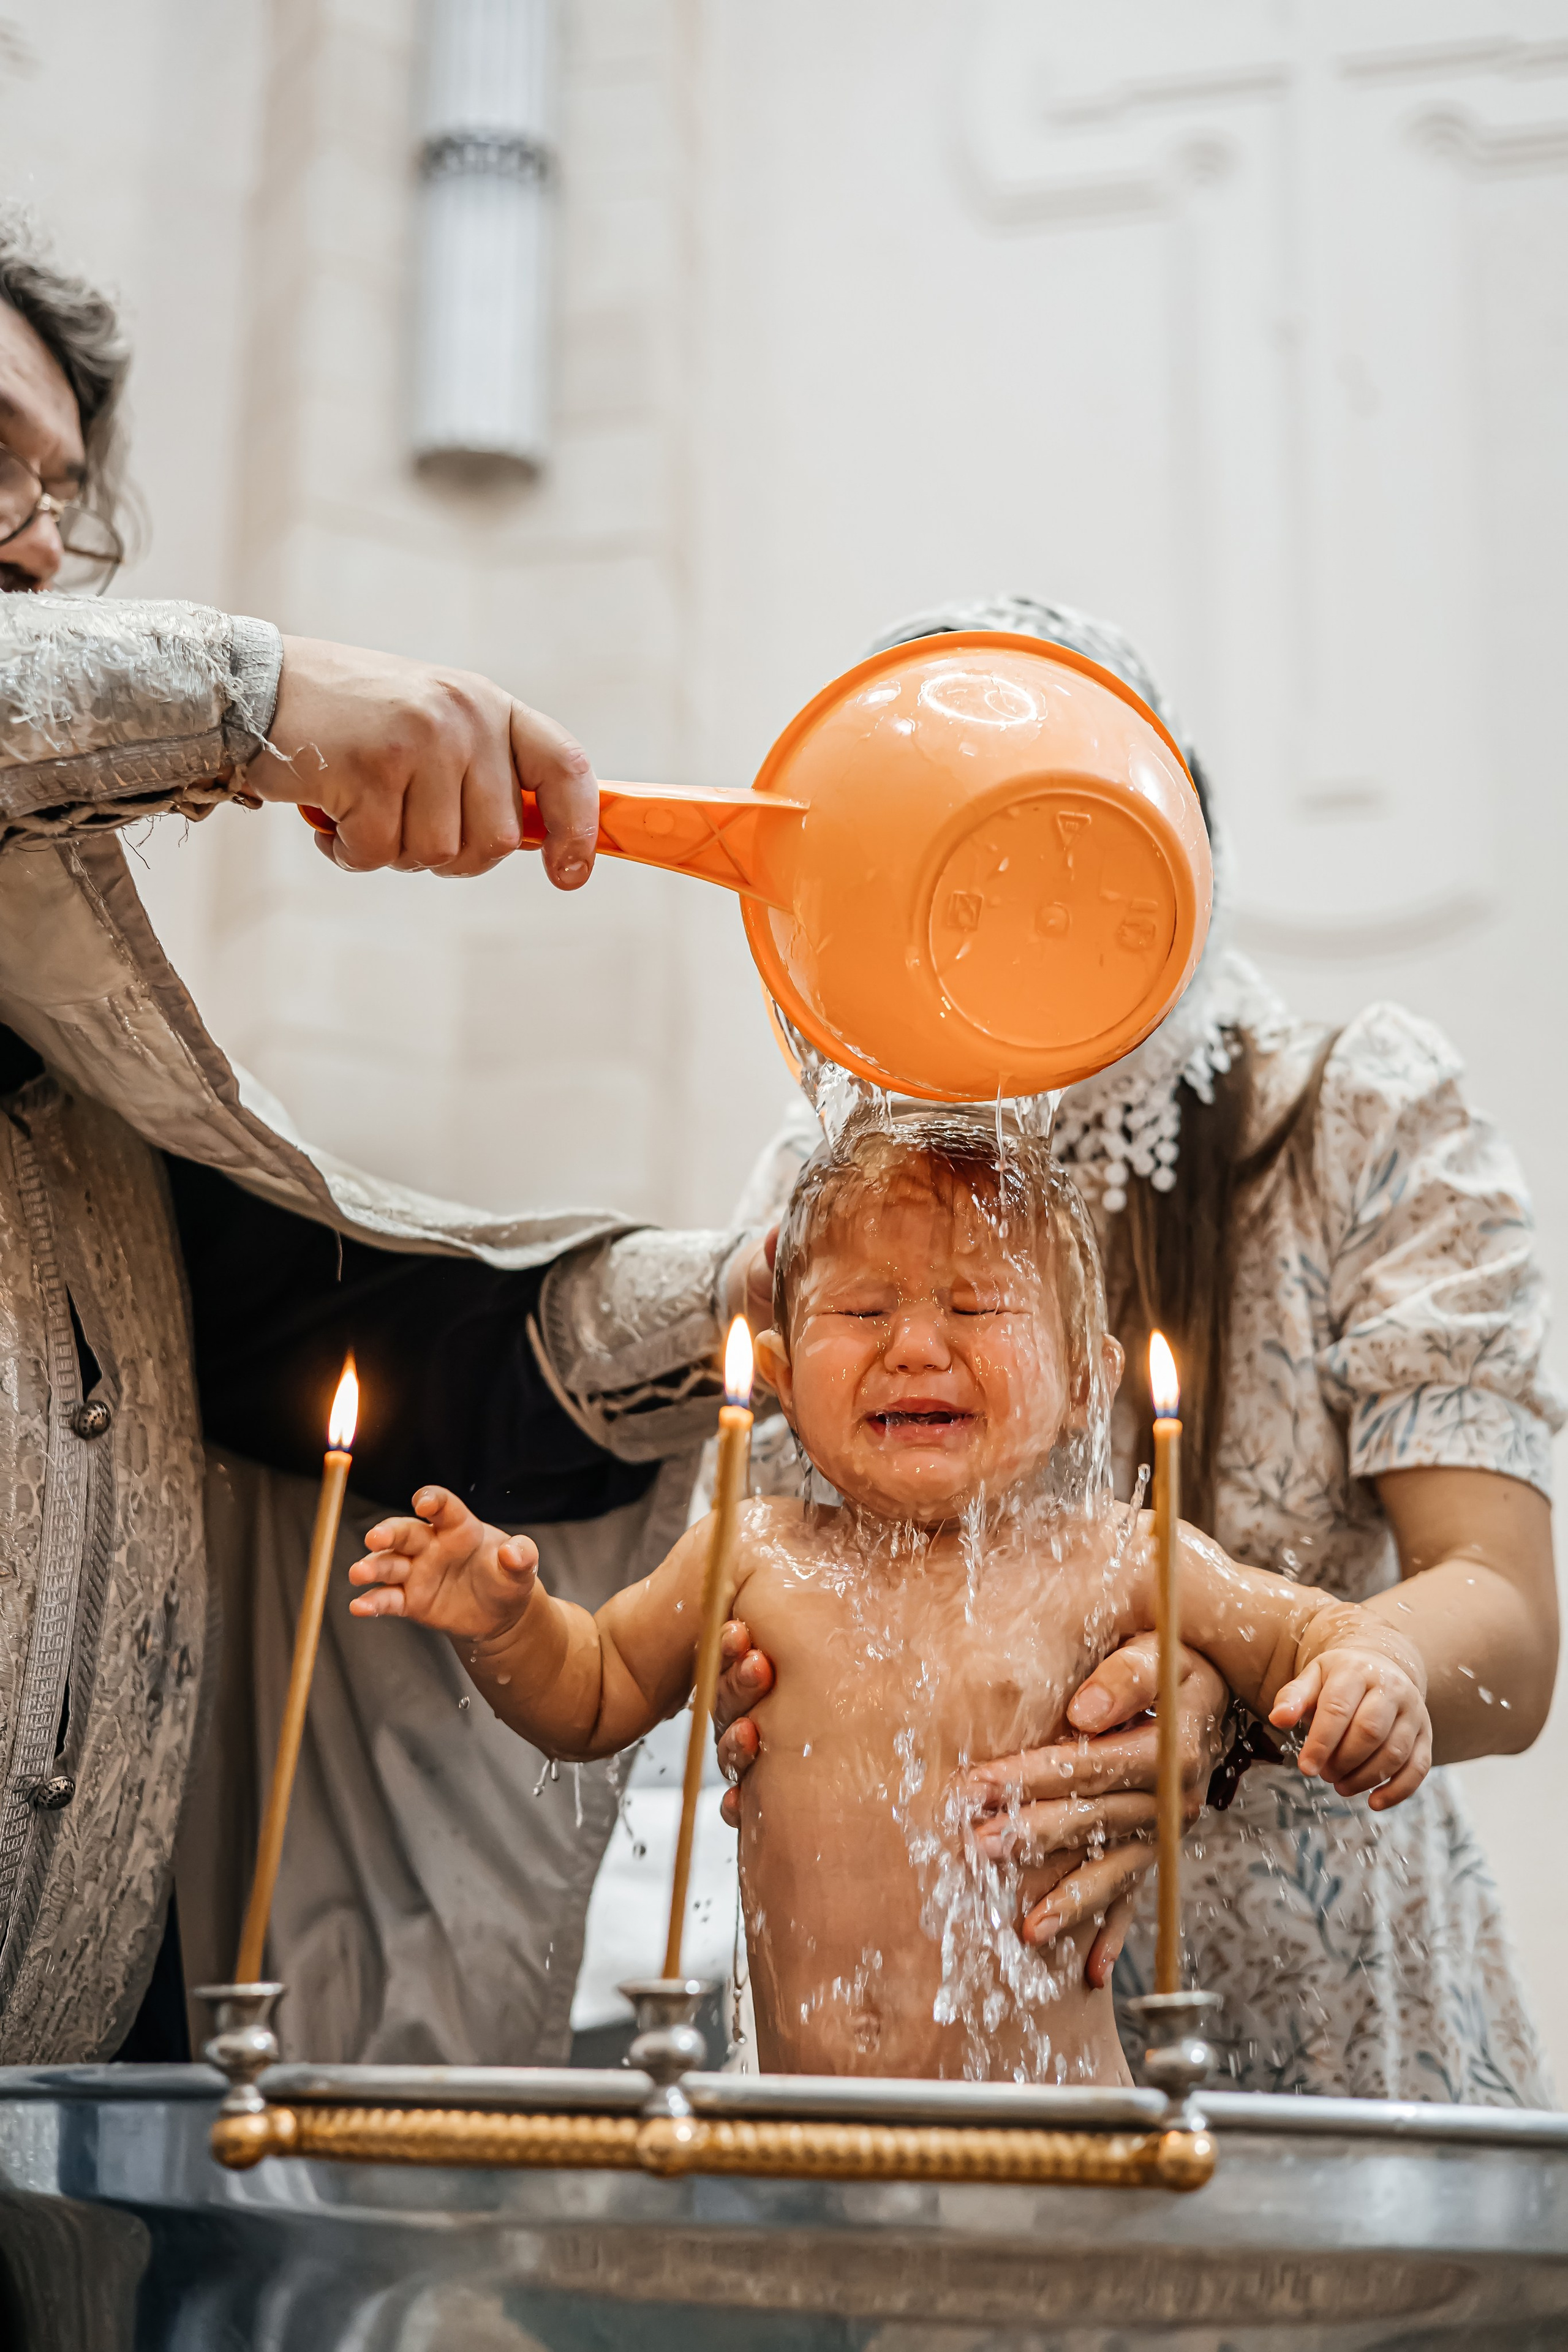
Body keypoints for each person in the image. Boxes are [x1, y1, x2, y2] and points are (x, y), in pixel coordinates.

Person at [0, 217, 767, 2067]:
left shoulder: (79, 1092)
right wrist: (254, 701)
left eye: (58, 494)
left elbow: (389, 1363)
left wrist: (745, 1297)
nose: (35, 539)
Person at [715, 596, 1560, 2106]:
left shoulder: (1354, 1114)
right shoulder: (830, 1170)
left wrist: (1241, 1693)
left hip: (1325, 2014)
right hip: (945, 2043)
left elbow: (1505, 1626)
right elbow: (778, 1587)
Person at [347, 1114, 1433, 2082]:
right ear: (775, 1374)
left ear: (1084, 1380)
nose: (916, 1347)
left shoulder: (1118, 1559)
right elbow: (592, 1693)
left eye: (976, 1305)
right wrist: (507, 1624)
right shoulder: (754, 1550)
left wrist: (1366, 1674)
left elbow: (1308, 1631)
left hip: (1047, 2140)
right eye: (864, 1310)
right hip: (801, 2134)